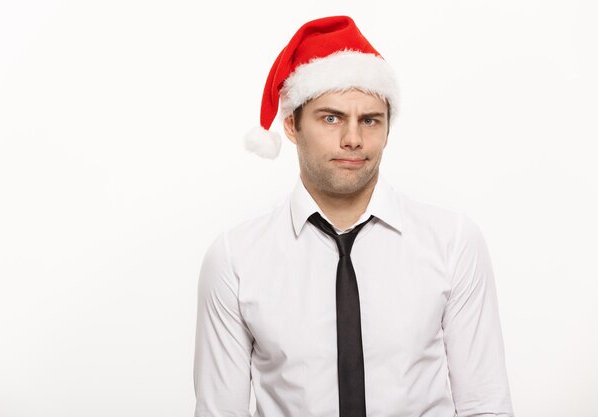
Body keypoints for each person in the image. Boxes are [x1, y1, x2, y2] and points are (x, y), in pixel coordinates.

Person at [193, 15, 514, 417]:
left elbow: (485, 404)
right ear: (291, 125)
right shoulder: (235, 258)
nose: (353, 139)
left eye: (370, 120)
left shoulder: (452, 242)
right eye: (331, 118)